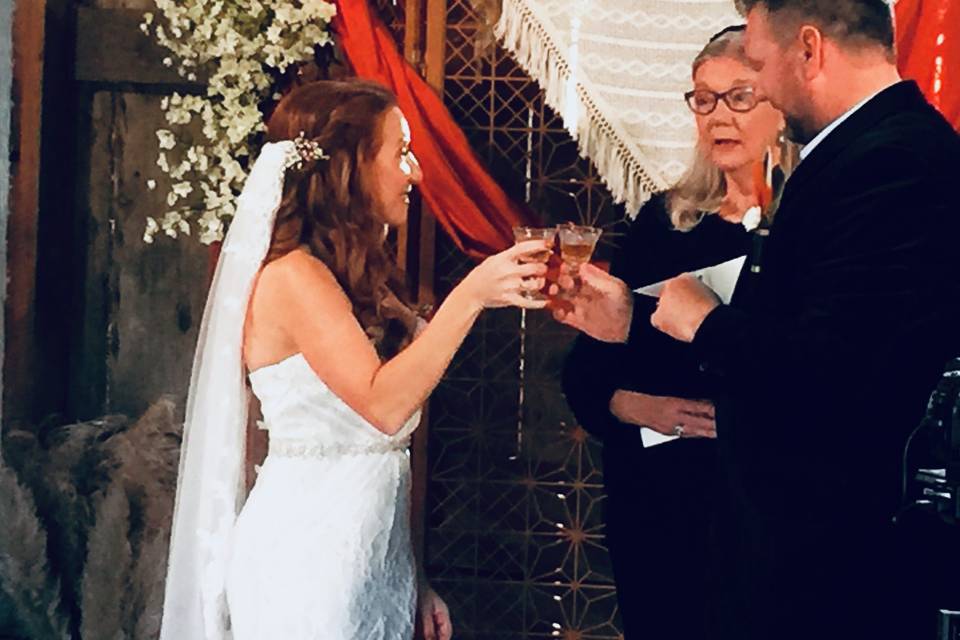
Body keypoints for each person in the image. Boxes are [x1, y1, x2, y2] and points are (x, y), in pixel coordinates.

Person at [555, 1, 960, 638]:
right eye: (704, 99)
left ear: (809, 49)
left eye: (752, 80)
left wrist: (705, 323)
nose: (755, 93)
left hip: (823, 547)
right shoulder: (851, 162)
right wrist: (634, 324)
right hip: (696, 519)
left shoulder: (886, 163)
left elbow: (835, 370)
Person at [159, 80, 550, 640]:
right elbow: (384, 407)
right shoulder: (293, 277)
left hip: (367, 560)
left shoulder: (355, 278)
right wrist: (472, 295)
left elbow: (377, 454)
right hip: (307, 564)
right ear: (349, 167)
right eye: (400, 153)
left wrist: (410, 575)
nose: (414, 172)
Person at [561, 25, 792, 639]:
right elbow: (588, 372)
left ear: (780, 99)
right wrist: (637, 405)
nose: (719, 115)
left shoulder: (809, 227)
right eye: (703, 98)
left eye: (739, 96)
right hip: (660, 504)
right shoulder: (665, 224)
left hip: (766, 507)